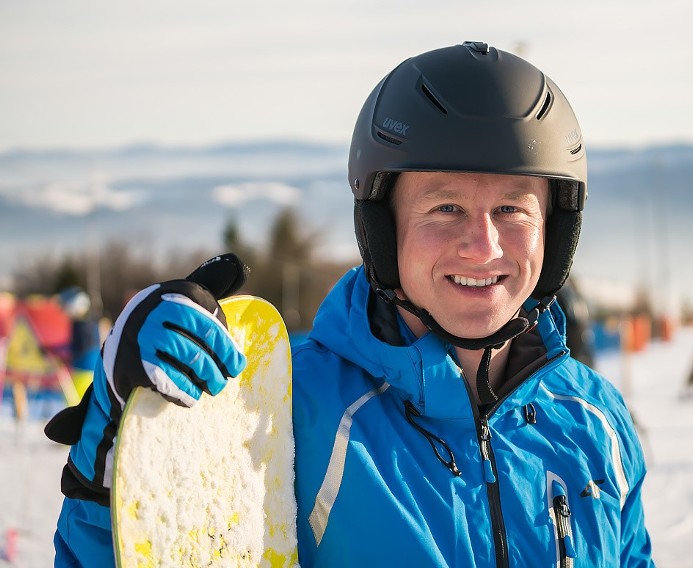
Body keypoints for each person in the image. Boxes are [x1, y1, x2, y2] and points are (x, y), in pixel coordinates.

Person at [47, 41, 654, 566]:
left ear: (555, 233)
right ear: (383, 230)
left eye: (512, 210)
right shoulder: (282, 406)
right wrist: (119, 437)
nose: (483, 246)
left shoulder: (594, 419)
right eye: (445, 208)